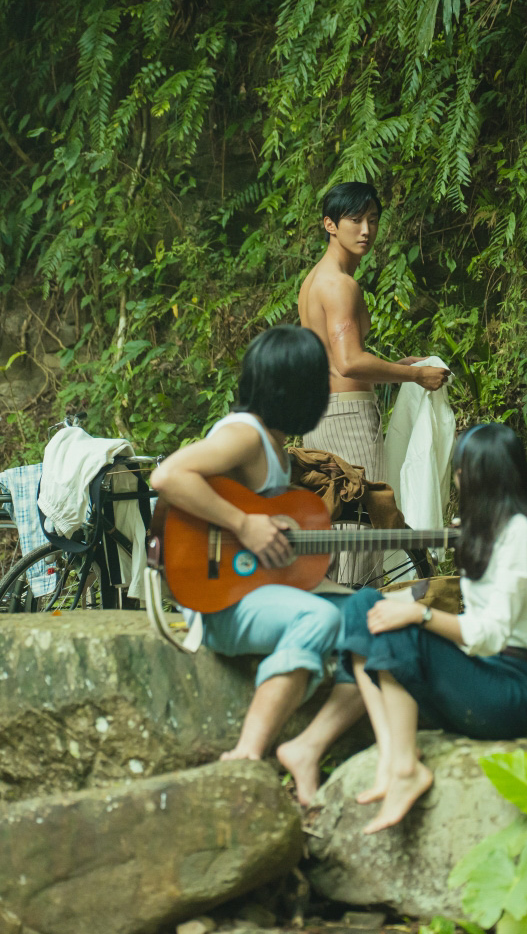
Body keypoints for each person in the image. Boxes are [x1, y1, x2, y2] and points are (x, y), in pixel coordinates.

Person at [149, 325, 378, 764]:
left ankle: (307, 748)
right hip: (217, 601)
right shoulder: (245, 435)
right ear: (295, 390)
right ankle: (248, 752)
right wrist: (244, 524)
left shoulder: (272, 440)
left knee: (372, 614)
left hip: (253, 588)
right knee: (317, 620)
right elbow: (167, 477)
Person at [337, 423, 527, 832]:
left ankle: (406, 769)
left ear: (484, 476)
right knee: (362, 606)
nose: (456, 479)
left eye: (461, 471)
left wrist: (417, 614)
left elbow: (489, 634)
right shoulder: (486, 530)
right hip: (473, 680)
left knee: (401, 625)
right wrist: (397, 606)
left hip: (507, 694)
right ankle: (392, 753)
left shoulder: (521, 536)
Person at [298, 181, 450, 585]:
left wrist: (394, 367)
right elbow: (348, 362)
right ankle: (359, 628)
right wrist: (416, 375)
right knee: (365, 526)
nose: (366, 229)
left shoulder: (316, 279)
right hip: (347, 417)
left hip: (321, 414)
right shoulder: (340, 285)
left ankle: (336, 627)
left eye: (373, 219)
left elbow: (335, 359)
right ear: (330, 224)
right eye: (355, 220)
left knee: (337, 525)